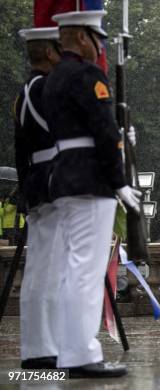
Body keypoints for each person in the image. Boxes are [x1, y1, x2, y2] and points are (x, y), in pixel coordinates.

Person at [42, 10, 141, 377]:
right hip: (91, 181)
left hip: (65, 179)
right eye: (97, 39)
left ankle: (70, 351)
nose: (100, 47)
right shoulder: (87, 75)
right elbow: (103, 132)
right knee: (87, 269)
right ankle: (81, 355)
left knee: (74, 269)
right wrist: (119, 180)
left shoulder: (52, 79)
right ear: (82, 37)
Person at [13, 26, 62, 370]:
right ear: (49, 53)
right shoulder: (47, 88)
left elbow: (21, 150)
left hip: (39, 180)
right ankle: (43, 347)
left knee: (43, 266)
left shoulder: (26, 90)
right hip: (55, 181)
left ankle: (40, 345)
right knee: (50, 267)